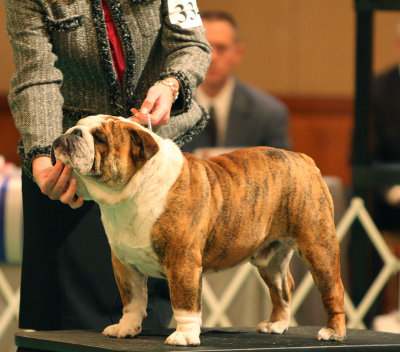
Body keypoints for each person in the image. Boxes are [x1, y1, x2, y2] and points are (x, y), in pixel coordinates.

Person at [5, 0, 211, 333]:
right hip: (72, 163)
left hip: (154, 158)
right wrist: (43, 154)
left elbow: (192, 42)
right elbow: (36, 74)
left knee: (150, 317)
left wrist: (171, 85)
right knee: (65, 319)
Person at [182, 10, 290, 154]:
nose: (212, 57)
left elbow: (281, 171)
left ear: (237, 53)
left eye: (221, 48)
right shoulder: (168, 110)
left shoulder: (268, 114)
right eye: (204, 47)